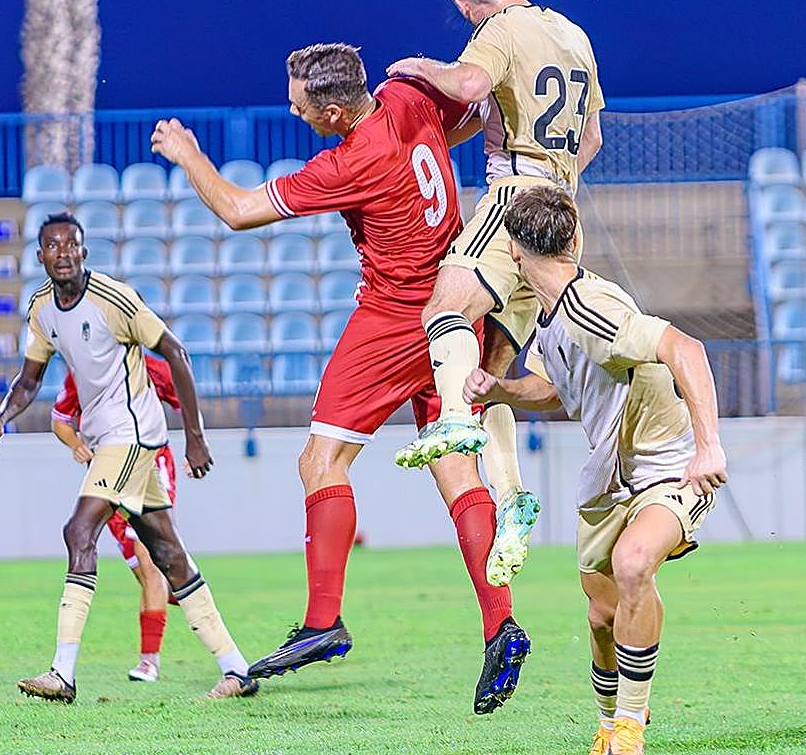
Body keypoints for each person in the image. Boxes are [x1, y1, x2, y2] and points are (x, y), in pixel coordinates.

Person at [150, 43, 529, 714]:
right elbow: (468, 119)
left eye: (298, 105)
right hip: (456, 310)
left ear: (331, 111)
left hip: (396, 316)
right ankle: (501, 625)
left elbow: (237, 210)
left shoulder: (352, 161)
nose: (293, 112)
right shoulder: (408, 99)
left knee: (320, 461)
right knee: (457, 472)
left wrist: (188, 155)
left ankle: (324, 620)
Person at [462, 186, 728, 755]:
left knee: (634, 564)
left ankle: (629, 729)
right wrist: (500, 388)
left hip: (668, 469)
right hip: (607, 481)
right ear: (574, 239)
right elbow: (553, 388)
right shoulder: (552, 317)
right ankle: (609, 726)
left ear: (513, 250)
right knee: (602, 615)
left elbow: (687, 348)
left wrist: (708, 446)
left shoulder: (593, 308)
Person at [387, 0, 607, 586]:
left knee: (445, 308)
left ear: (464, 5)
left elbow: (468, 85)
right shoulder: (573, 32)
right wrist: (553, 184)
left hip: (515, 195)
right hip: (563, 211)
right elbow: (592, 138)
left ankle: (454, 423)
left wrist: (420, 67)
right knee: (492, 366)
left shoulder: (501, 29)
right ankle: (512, 498)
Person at [0, 211, 258, 703]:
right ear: (40, 255)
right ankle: (236, 668)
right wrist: (0, 419)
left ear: (84, 251)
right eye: (53, 246)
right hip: (108, 435)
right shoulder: (42, 308)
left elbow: (176, 352)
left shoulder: (114, 299)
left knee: (78, 530)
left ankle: (62, 673)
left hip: (131, 433)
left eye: (71, 244)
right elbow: (28, 380)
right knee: (168, 554)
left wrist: (194, 437)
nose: (63, 253)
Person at [50, 354, 182, 683]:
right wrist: (76, 444)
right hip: (107, 476)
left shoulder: (153, 368)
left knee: (149, 564)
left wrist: (196, 440)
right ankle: (177, 586)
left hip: (150, 467)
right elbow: (60, 420)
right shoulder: (83, 374)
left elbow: (184, 397)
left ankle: (149, 661)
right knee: (148, 574)